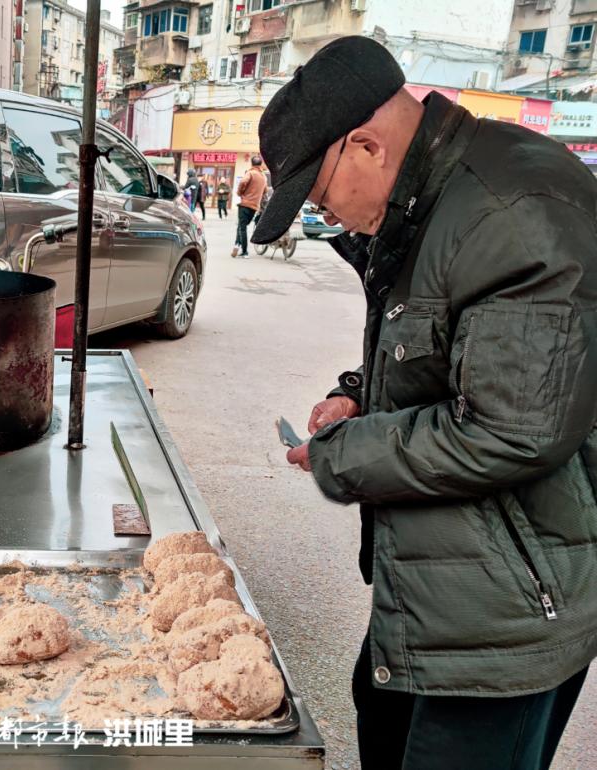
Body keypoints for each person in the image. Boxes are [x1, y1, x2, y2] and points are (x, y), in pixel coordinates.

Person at [253, 36, 597, 770]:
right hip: (441, 594)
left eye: (319, 197)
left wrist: (344, 455)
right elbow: (449, 352)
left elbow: (513, 429)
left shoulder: (509, 212)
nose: (332, 218)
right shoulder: (431, 201)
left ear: (367, 148)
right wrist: (358, 395)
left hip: (502, 621)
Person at [232, 155, 266, 258]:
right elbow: (265, 191)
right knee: (242, 225)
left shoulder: (250, 173)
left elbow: (243, 182)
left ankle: (245, 251)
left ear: (251, 164)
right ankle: (237, 245)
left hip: (245, 203)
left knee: (242, 227)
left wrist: (240, 192)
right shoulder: (263, 176)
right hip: (255, 206)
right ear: (260, 164)